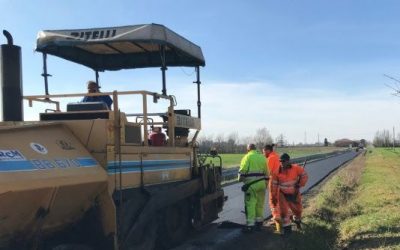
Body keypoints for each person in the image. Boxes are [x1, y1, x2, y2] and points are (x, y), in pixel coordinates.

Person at [270, 153, 308, 235]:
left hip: (294, 193)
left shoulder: (296, 168)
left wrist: (300, 184)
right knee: (284, 213)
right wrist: (274, 197)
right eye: (280, 161)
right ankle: (287, 230)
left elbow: (304, 175)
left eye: (283, 161)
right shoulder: (276, 172)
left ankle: (297, 221)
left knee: (298, 210)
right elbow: (273, 185)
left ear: (288, 161)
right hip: (282, 195)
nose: (281, 163)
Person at [238, 144, 268, 233]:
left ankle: (250, 226)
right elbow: (267, 173)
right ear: (255, 149)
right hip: (262, 184)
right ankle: (259, 223)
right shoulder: (262, 157)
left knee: (250, 204)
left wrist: (240, 180)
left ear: (248, 149)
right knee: (259, 204)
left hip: (251, 185)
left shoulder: (247, 157)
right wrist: (265, 183)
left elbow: (242, 171)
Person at [262, 144, 281, 232]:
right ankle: (280, 216)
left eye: (264, 151)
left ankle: (276, 218)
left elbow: (268, 172)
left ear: (268, 150)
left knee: (273, 201)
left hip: (273, 181)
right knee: (279, 200)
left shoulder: (271, 158)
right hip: (279, 181)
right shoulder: (277, 156)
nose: (263, 154)